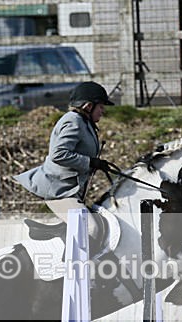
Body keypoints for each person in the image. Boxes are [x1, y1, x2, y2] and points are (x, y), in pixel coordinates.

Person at [14, 81, 116, 244]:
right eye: (101, 106)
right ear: (89, 106)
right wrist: (90, 162)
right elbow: (59, 154)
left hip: (70, 191)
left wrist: (96, 163)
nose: (103, 111)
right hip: (58, 191)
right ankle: (74, 269)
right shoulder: (73, 121)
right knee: (90, 228)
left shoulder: (84, 122)